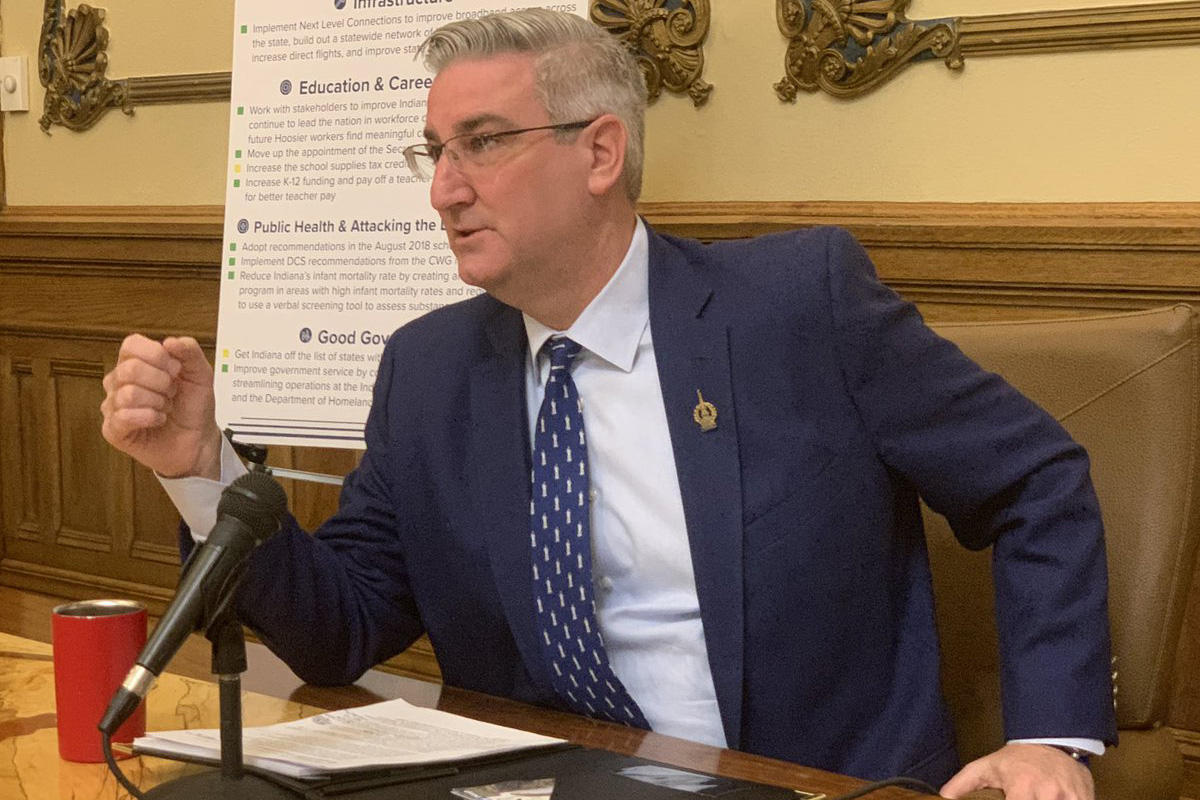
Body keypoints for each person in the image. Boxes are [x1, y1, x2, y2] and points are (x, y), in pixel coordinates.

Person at [100, 9, 1115, 799]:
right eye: (434, 152)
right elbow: (339, 630)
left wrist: (1048, 735)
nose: (442, 191)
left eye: (482, 144)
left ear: (600, 153)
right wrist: (203, 468)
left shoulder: (801, 304)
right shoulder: (430, 368)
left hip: (801, 780)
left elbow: (1035, 478)